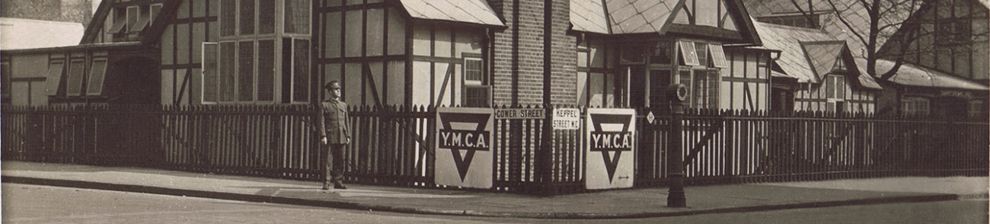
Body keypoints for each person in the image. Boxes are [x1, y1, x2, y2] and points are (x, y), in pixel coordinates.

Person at [318, 81, 350, 190]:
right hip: (330, 136)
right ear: (330, 92)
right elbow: (321, 122)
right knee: (328, 160)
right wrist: (323, 136)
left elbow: (346, 121)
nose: (338, 91)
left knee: (340, 160)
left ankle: (338, 181)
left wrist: (348, 135)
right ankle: (326, 182)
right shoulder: (325, 105)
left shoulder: (343, 105)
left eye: (339, 89)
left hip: (341, 136)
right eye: (336, 89)